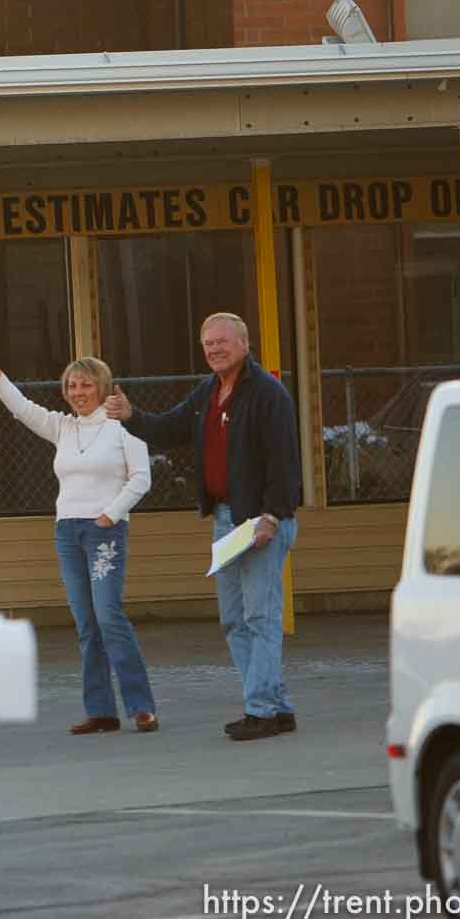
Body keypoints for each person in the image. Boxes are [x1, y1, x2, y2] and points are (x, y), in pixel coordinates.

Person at [105, 312, 300, 742]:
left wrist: (272, 515)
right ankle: (276, 705)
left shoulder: (269, 394)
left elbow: (286, 462)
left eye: (222, 342)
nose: (214, 349)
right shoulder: (208, 391)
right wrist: (130, 414)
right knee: (235, 619)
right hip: (227, 520)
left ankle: (262, 710)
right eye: (208, 343)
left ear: (244, 343)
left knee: (260, 616)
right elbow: (170, 428)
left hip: (261, 521)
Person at [0, 336, 158, 734]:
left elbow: (142, 478)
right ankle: (101, 711)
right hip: (67, 531)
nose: (78, 392)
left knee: (109, 616)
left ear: (103, 388)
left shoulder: (124, 428)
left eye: (86, 384)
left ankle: (140, 706)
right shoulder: (63, 427)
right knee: (86, 622)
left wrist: (110, 515)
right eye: (72, 385)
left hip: (104, 531)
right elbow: (21, 409)